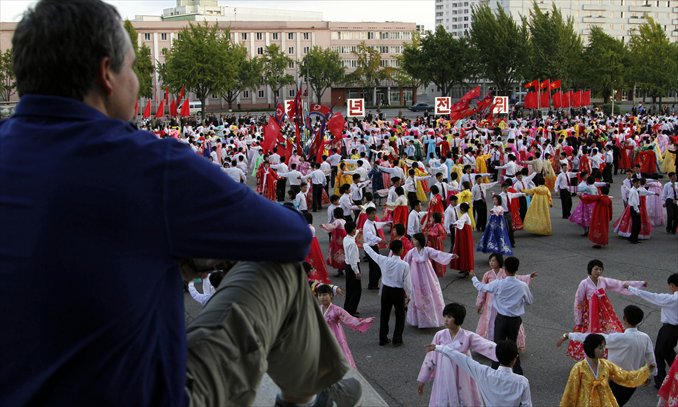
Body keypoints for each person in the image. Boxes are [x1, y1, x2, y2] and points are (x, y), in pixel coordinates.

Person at [0, 1, 360, 405]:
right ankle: (309, 397)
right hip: (143, 395)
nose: (136, 83)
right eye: (133, 68)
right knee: (281, 271)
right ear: (106, 74)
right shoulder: (147, 164)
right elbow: (292, 236)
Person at [557, 305, 656, 406]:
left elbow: (593, 338)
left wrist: (569, 335)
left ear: (625, 319)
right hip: (632, 383)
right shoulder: (645, 338)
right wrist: (649, 374)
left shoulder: (620, 338)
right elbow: (651, 359)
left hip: (615, 382)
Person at [417, 303, 497, 406]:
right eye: (445, 316)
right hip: (443, 374)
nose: (445, 319)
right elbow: (430, 359)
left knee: (462, 397)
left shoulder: (468, 336)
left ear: (458, 319)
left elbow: (486, 345)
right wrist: (423, 380)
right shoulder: (439, 335)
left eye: (449, 317)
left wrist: (503, 352)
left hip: (462, 375)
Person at [566, 259, 646, 360]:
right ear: (590, 270)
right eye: (596, 269)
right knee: (589, 334)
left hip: (604, 312)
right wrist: (579, 318)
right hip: (590, 314)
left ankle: (606, 356)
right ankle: (588, 358)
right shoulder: (584, 283)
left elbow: (619, 284)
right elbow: (579, 301)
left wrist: (639, 284)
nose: (598, 272)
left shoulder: (603, 280)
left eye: (600, 269)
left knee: (610, 331)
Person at [470, 256, 532, 375]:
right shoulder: (522, 286)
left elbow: (481, 287)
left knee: (498, 344)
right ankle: (517, 370)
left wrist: (474, 278)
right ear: (516, 269)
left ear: (506, 269)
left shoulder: (498, 283)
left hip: (501, 318)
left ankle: (495, 369)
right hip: (515, 319)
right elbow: (529, 301)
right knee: (512, 344)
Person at [425, 340, 532, 407]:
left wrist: (439, 347)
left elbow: (462, 359)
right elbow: (526, 405)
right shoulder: (522, 382)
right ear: (514, 359)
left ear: (497, 357)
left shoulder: (484, 373)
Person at [559, 334, 652, 407]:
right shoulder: (578, 368)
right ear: (591, 348)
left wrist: (645, 371)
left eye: (604, 347)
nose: (603, 350)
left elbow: (625, 376)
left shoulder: (606, 365)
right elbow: (570, 393)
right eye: (600, 347)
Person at [624, 273, 678, 389]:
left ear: (673, 285)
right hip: (675, 331)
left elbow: (651, 296)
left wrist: (630, 288)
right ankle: (675, 374)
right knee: (668, 352)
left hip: (668, 329)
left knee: (659, 354)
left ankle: (661, 382)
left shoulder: (672, 299)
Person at [475, 253, 537, 352]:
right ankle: (509, 354)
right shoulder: (488, 274)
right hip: (496, 308)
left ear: (501, 263)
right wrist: (480, 303)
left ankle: (497, 353)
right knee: (507, 334)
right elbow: (482, 290)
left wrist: (473, 278)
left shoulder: (501, 278)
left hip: (499, 310)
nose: (491, 262)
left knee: (498, 333)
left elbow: (482, 287)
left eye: (494, 260)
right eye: (490, 260)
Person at [404, 233, 456, 328]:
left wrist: (450, 256)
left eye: (415, 240)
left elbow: (438, 254)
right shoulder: (411, 252)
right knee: (417, 297)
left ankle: (431, 320)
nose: (413, 241)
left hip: (428, 277)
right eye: (413, 240)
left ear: (420, 241)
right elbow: (405, 263)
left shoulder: (427, 250)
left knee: (430, 295)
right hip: (415, 278)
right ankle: (418, 320)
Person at [365, 241, 412, 346]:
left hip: (386, 289)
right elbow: (407, 283)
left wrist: (365, 245)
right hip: (398, 291)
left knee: (384, 314)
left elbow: (373, 254)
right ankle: (397, 339)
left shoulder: (384, 260)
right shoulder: (404, 265)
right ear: (401, 250)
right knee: (400, 315)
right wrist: (408, 296)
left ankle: (383, 338)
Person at [316, 284, 374, 370]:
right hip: (322, 336)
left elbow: (349, 319)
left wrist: (365, 321)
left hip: (336, 336)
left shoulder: (336, 310)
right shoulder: (317, 309)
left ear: (331, 295)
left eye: (325, 295)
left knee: (341, 356)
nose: (322, 297)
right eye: (320, 295)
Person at [342, 222, 362, 317]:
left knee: (350, 289)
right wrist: (357, 272)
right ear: (352, 229)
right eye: (355, 228)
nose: (356, 229)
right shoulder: (352, 244)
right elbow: (353, 260)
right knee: (357, 290)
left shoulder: (346, 238)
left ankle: (347, 308)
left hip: (348, 266)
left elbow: (353, 235)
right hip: (352, 266)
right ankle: (351, 310)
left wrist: (358, 231)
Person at [450, 203, 474, 276]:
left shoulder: (464, 216)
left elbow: (460, 222)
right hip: (465, 235)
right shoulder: (465, 215)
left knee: (464, 250)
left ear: (462, 209)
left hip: (464, 237)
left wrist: (454, 224)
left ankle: (466, 268)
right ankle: (463, 268)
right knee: (464, 251)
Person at [426, 212, 448, 277]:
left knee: (436, 257)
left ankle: (438, 271)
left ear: (435, 219)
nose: (430, 218)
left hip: (436, 245)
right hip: (433, 244)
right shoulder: (434, 225)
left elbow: (443, 235)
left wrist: (435, 237)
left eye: (432, 217)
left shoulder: (438, 226)